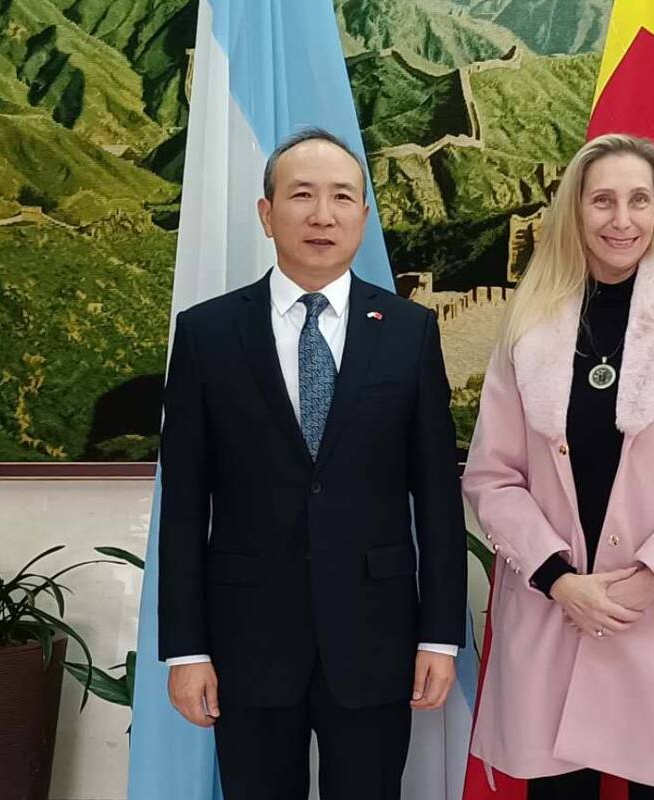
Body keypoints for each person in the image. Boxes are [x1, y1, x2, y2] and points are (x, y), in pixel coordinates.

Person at [157, 127, 466, 800]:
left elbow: (438, 498)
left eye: (342, 197)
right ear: (267, 214)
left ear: (363, 215)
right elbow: (181, 503)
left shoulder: (410, 333)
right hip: (248, 641)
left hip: (376, 637)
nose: (323, 215)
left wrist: (440, 637)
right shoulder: (208, 334)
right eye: (302, 195)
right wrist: (186, 649)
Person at [462, 133, 654, 800]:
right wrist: (558, 579)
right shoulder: (530, 322)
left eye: (638, 201)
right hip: (557, 611)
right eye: (602, 201)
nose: (621, 220)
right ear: (576, 210)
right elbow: (492, 475)